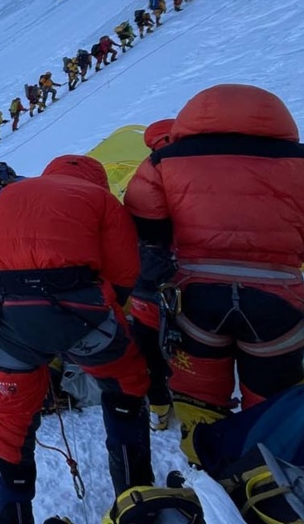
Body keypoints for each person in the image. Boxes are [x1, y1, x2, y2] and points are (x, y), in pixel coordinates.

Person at [124, 84, 304, 464]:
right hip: (278, 299)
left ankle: (205, 466)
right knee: (273, 397)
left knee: (198, 393)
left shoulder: (164, 162)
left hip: (194, 299)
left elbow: (147, 231)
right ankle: (269, 470)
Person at [0, 155, 151, 523]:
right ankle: (137, 494)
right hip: (80, 309)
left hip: (7, 316)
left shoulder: (10, 194)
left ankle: (12, 513)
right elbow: (123, 274)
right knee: (126, 383)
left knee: (9, 417)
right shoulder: (101, 200)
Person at [126, 119, 177, 433]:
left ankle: (158, 408)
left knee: (149, 348)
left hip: (146, 281)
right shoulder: (214, 166)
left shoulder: (145, 174)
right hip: (200, 278)